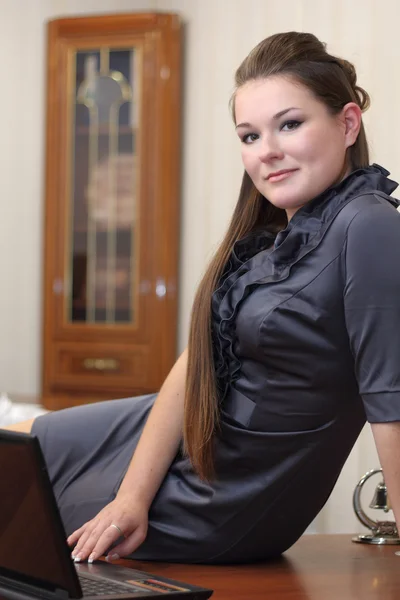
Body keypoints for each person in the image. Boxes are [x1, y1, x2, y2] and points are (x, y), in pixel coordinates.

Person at [5, 31, 400, 565]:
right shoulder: (273, 238)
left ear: (347, 123)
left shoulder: (368, 225)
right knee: (15, 448)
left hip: (222, 494)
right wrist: (130, 497)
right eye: (249, 135)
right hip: (170, 439)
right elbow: (197, 366)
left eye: (290, 124)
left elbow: (391, 405)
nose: (268, 152)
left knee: (23, 504)